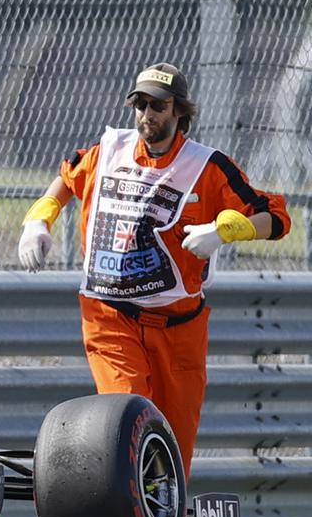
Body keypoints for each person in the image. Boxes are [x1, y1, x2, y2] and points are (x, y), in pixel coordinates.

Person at [17, 62, 290, 478]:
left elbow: (276, 216)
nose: (147, 114)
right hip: (111, 317)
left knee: (174, 447)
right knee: (128, 420)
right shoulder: (108, 152)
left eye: (158, 105)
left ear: (178, 111)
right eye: (140, 104)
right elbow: (66, 179)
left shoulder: (208, 167)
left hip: (180, 327)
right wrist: (38, 220)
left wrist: (228, 230)